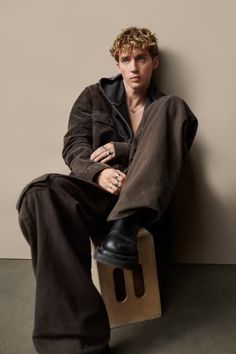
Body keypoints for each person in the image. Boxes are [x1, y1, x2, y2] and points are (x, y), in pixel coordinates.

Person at [16, 27, 198, 354]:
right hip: (97, 195)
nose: (133, 67)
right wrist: (98, 174)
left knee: (175, 105)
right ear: (117, 64)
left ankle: (124, 225)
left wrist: (124, 150)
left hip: (143, 202)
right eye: (125, 59)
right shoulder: (92, 96)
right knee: (40, 192)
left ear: (154, 62)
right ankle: (74, 344)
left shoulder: (165, 109)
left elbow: (173, 153)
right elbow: (74, 146)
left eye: (140, 58)